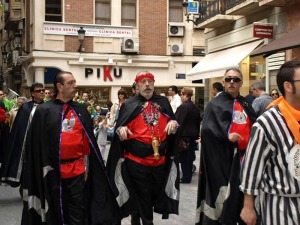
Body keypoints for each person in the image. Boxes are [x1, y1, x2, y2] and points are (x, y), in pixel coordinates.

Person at [20, 71, 121, 225]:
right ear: (59, 86)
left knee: (77, 209)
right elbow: (36, 145)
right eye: (70, 83)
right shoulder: (44, 110)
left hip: (77, 170)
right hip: (52, 171)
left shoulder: (81, 110)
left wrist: (87, 167)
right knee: (55, 209)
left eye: (75, 82)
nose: (75, 86)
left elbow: (88, 143)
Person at [106, 71, 180, 225]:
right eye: (143, 82)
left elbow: (173, 123)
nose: (147, 84)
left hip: (160, 161)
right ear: (137, 85)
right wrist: (121, 130)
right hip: (137, 161)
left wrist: (174, 123)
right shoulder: (129, 104)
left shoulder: (164, 103)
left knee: (151, 195)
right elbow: (120, 128)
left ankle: (136, 215)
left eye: (150, 81)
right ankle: (147, 221)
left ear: (154, 84)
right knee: (143, 194)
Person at [240, 61, 300, 225]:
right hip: (281, 204)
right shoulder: (267, 122)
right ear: (288, 86)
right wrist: (248, 206)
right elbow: (253, 165)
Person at [195, 68, 257, 225]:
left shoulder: (245, 103)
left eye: (236, 80)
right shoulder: (215, 105)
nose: (232, 82)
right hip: (223, 161)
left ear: (241, 83)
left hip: (246, 160)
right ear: (223, 82)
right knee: (225, 197)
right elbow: (207, 130)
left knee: (243, 198)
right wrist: (225, 135)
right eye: (228, 79)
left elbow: (255, 125)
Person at [0, 83, 45, 187]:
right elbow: (19, 128)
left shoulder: (48, 106)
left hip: (42, 143)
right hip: (27, 142)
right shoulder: (25, 108)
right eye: (39, 91)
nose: (42, 92)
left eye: (43, 90)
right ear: (33, 94)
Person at [175, 87, 200, 183]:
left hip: (184, 136)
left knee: (184, 157)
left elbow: (178, 122)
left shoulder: (183, 107)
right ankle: (187, 174)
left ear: (186, 95)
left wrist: (176, 136)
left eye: (181, 94)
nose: (181, 96)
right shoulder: (195, 107)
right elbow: (198, 122)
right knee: (189, 157)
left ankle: (186, 176)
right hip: (193, 135)